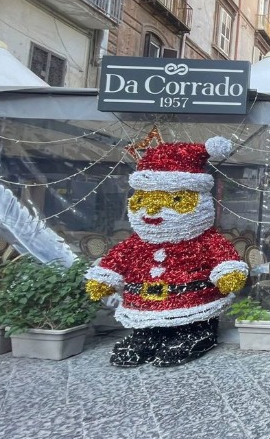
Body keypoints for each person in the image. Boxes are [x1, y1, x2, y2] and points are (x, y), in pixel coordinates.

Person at [85, 137, 248, 367]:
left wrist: (228, 273)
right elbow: (118, 259)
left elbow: (223, 257)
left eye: (175, 200)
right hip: (144, 305)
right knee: (146, 328)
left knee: (192, 324)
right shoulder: (136, 243)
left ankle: (196, 334)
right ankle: (145, 337)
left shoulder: (205, 240)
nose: (152, 209)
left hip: (193, 303)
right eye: (143, 200)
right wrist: (104, 278)